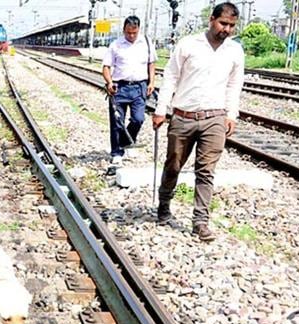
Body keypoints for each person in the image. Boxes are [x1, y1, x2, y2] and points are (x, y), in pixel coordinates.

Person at [152, 2, 244, 242]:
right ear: (211, 19)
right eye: (223, 23)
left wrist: (231, 114)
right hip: (183, 116)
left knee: (206, 171)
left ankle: (200, 221)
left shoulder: (235, 51)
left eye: (231, 26)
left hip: (214, 118)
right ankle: (164, 205)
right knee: (173, 164)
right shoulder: (188, 45)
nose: (227, 29)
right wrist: (161, 110)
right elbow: (170, 77)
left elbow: (235, 85)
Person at [102, 16, 157, 165]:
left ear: (139, 30)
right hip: (120, 87)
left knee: (138, 119)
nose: (131, 36)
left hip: (140, 87)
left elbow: (151, 64)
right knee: (116, 121)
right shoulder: (115, 45)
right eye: (128, 33)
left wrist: (152, 82)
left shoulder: (146, 43)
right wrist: (109, 82)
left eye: (134, 32)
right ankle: (117, 153)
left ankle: (127, 141)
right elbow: (106, 67)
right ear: (124, 30)